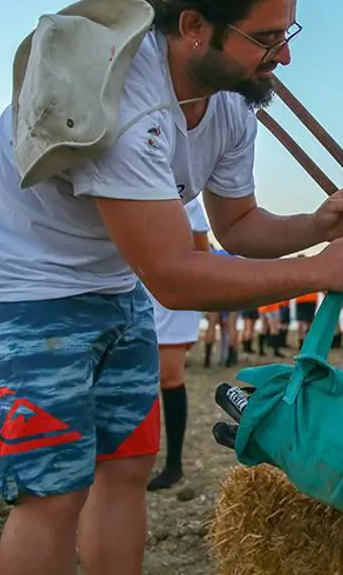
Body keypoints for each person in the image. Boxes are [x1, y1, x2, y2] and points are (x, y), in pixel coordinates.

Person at [0, 0, 343, 574]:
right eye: (266, 38)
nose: (283, 57)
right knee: (52, 492)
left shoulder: (231, 99)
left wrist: (314, 225)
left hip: (112, 282)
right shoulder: (121, 97)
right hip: (21, 287)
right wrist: (322, 270)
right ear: (193, 27)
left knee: (126, 467)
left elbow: (236, 224)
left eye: (287, 33)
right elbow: (175, 279)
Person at [143, 197, 211, 491]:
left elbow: (203, 254)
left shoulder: (188, 199)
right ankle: (136, 459)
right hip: (133, 287)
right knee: (135, 379)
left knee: (169, 377)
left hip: (172, 297)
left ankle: (174, 465)